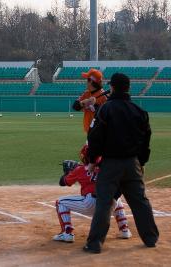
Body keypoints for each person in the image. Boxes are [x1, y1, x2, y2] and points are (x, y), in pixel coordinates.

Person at [84, 73, 159, 254]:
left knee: (104, 202)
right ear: (128, 88)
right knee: (140, 202)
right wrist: (141, 162)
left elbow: (95, 137)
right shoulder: (139, 111)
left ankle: (95, 244)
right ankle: (150, 239)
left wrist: (92, 160)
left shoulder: (106, 109)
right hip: (132, 163)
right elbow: (145, 141)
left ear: (113, 88)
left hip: (111, 164)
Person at [53, 144, 131, 243]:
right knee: (115, 197)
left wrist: (68, 172)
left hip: (89, 204)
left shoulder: (80, 170)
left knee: (60, 202)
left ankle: (67, 233)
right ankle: (124, 229)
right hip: (107, 206)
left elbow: (63, 182)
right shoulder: (107, 167)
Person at [72, 69, 108, 133]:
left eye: (87, 79)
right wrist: (83, 103)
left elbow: (107, 114)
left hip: (100, 133)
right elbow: (75, 106)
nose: (86, 81)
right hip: (89, 132)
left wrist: (93, 105)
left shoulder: (104, 96)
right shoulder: (87, 93)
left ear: (91, 81)